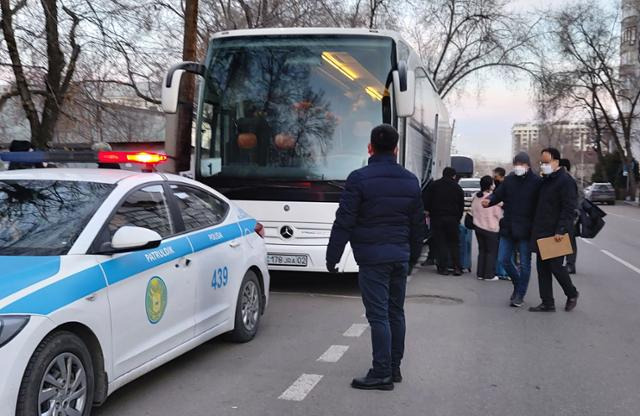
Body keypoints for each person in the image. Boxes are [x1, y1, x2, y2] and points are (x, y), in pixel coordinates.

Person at [326, 124, 424, 391]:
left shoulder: (358, 178)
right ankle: (394, 368)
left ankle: (381, 372)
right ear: (396, 149)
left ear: (370, 148)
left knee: (378, 315)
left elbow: (344, 220)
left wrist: (332, 255)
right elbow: (418, 226)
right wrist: (412, 258)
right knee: (396, 313)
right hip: (399, 257)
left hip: (372, 258)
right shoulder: (410, 180)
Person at [483, 152, 541, 307]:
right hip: (508, 226)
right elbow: (498, 195)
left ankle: (520, 294)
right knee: (503, 259)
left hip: (526, 229)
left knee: (525, 264)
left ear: (528, 166)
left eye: (522, 164)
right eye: (516, 164)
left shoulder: (536, 182)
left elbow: (543, 204)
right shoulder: (509, 180)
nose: (518, 167)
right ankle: (518, 283)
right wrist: (489, 200)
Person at [529, 148, 580, 312]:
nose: (543, 165)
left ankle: (572, 293)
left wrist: (561, 229)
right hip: (542, 231)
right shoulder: (546, 180)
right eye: (541, 162)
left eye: (546, 162)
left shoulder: (565, 181)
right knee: (542, 268)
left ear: (556, 162)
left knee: (556, 267)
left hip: (556, 232)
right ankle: (547, 302)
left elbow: (569, 207)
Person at [423, 167, 465, 276]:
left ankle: (443, 268)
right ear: (454, 176)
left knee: (441, 243)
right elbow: (461, 205)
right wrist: (458, 218)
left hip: (437, 218)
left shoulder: (434, 185)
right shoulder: (457, 187)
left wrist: (429, 212)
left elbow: (427, 201)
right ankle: (457, 267)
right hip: (453, 219)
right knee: (454, 243)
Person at [471, 176, 503, 280]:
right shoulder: (492, 198)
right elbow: (498, 215)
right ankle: (489, 275)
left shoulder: (476, 197)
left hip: (478, 226)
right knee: (491, 252)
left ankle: (480, 274)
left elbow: (473, 211)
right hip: (491, 228)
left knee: (482, 251)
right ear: (490, 185)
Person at [559, 158, 578, 274]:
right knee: (565, 240)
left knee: (569, 240)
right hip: (566, 214)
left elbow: (574, 199)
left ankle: (570, 265)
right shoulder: (565, 179)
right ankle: (565, 264)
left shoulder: (569, 180)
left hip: (570, 215)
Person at [492, 167, 510, 280]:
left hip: (505, 220)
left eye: (495, 176)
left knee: (507, 248)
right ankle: (501, 271)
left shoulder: (506, 186)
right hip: (500, 221)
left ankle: (504, 271)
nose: (494, 178)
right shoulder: (499, 186)